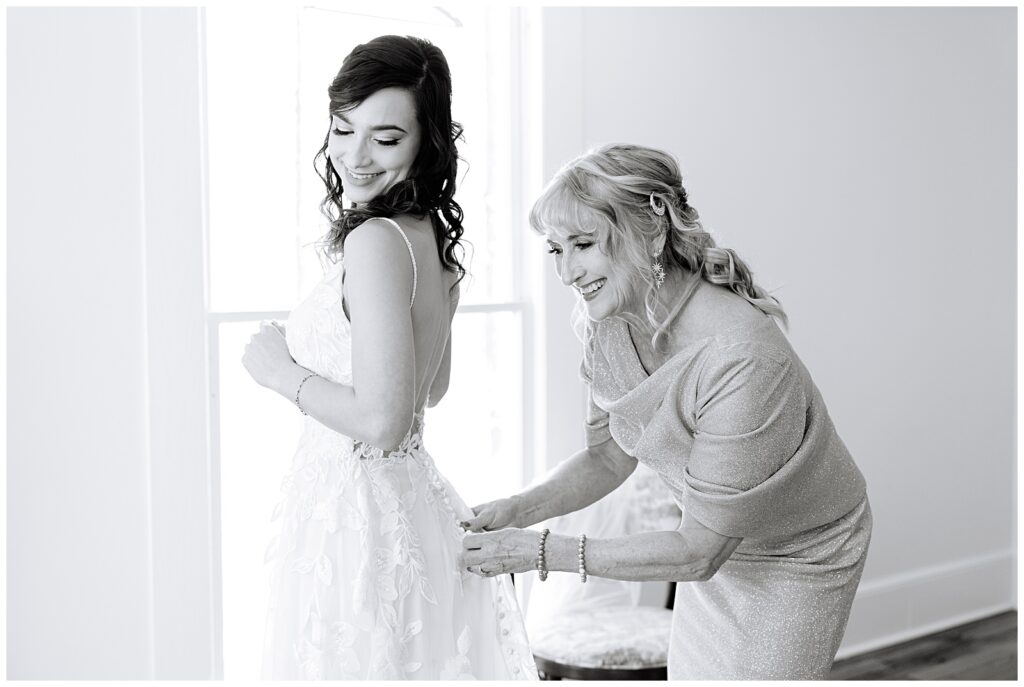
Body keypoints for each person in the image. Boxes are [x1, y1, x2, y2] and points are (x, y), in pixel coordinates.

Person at [460, 143, 871, 680]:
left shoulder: (741, 357)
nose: (565, 272)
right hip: (709, 540)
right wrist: (518, 509)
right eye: (555, 250)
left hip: (798, 552)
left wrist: (540, 550)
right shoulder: (605, 322)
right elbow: (607, 461)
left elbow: (699, 554)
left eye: (582, 245)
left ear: (652, 228)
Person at [242, 35, 536, 680]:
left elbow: (384, 423)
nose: (354, 156)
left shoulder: (377, 240)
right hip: (402, 505)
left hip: (360, 517)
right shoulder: (428, 237)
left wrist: (280, 374)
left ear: (427, 141)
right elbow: (432, 390)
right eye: (344, 129)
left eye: (386, 137)